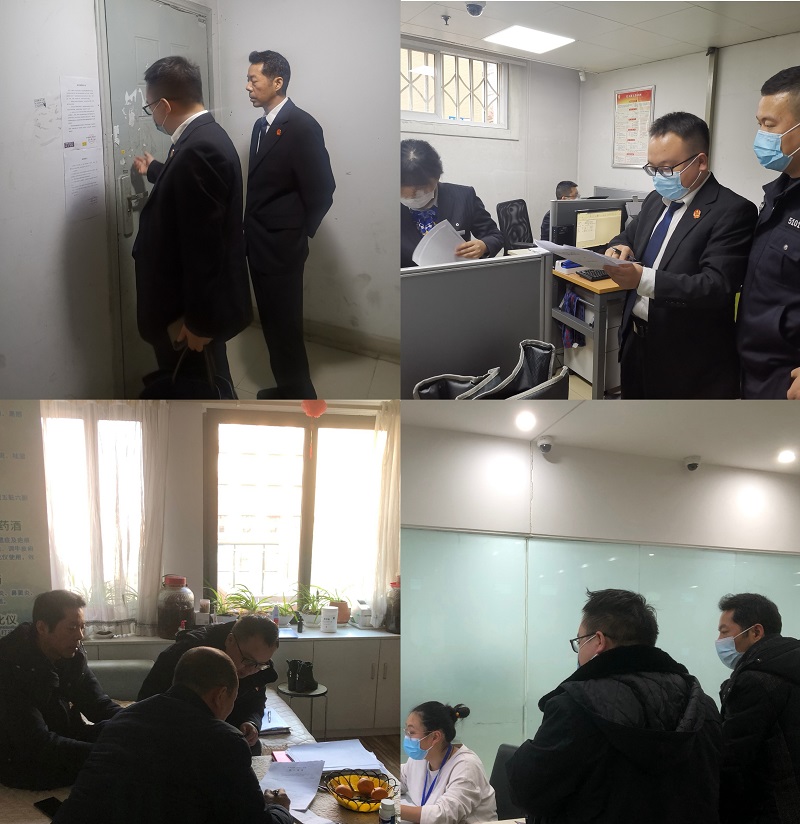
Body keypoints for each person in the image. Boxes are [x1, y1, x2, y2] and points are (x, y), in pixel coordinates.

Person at [506, 589, 723, 824]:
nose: (578, 651)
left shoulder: (575, 707)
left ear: (598, 641)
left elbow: (528, 791)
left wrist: (526, 754)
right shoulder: (702, 705)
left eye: (580, 641)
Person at [602, 111, 757, 399]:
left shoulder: (732, 211)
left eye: (667, 168)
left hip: (687, 357)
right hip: (636, 341)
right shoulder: (655, 200)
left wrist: (642, 279)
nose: (659, 178)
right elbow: (629, 236)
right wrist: (618, 246)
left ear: (701, 161)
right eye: (652, 169)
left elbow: (716, 285)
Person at [53, 647, 294, 824]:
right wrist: (279, 809)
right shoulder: (225, 741)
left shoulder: (122, 719)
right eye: (233, 699)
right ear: (220, 695)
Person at [132, 55, 251, 394]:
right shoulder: (203, 136)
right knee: (209, 378)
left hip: (186, 317)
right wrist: (157, 170)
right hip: (191, 307)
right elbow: (189, 197)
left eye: (150, 107)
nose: (152, 114)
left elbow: (204, 249)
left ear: (164, 105)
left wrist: (199, 323)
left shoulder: (199, 150)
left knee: (195, 388)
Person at [244, 49, 335, 400]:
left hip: (282, 249)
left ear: (277, 82)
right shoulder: (260, 126)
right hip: (258, 243)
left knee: (286, 326)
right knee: (272, 324)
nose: (247, 86)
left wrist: (295, 232)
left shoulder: (302, 126)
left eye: (253, 79)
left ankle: (302, 394)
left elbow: (322, 189)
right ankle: (287, 388)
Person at [0, 590, 121, 789]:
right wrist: (105, 754)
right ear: (42, 627)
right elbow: (37, 742)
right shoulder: (10, 667)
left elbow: (99, 705)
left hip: (65, 736)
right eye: (72, 628)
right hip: (23, 758)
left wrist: (137, 722)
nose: (80, 636)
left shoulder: (71, 656)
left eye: (82, 627)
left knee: (124, 733)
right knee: (116, 768)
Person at [737, 66, 800, 399]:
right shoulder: (778, 193)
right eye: (759, 123)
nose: (761, 135)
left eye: (769, 125)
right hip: (751, 364)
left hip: (787, 377)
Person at [138, 613, 279, 755]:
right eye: (247, 660)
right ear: (230, 640)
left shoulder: (257, 664)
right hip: (175, 729)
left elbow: (256, 701)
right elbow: (148, 704)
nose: (251, 670)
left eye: (260, 665)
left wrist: (251, 722)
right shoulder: (184, 653)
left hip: (223, 727)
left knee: (250, 747)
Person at [716, 593, 800, 823]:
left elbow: (733, 759)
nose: (719, 640)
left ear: (756, 632)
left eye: (724, 632)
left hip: (773, 809)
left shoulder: (754, 682)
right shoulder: (789, 667)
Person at [401, 139, 504, 268]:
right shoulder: (384, 207)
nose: (413, 197)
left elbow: (494, 235)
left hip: (455, 275)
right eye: (404, 194)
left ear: (437, 177)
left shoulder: (463, 197)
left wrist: (484, 246)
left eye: (420, 191)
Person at [400, 701, 497, 824]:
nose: (407, 737)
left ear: (435, 737)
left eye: (411, 732)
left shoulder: (467, 766)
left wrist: (395, 809)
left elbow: (444, 816)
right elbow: (401, 780)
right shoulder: (422, 757)